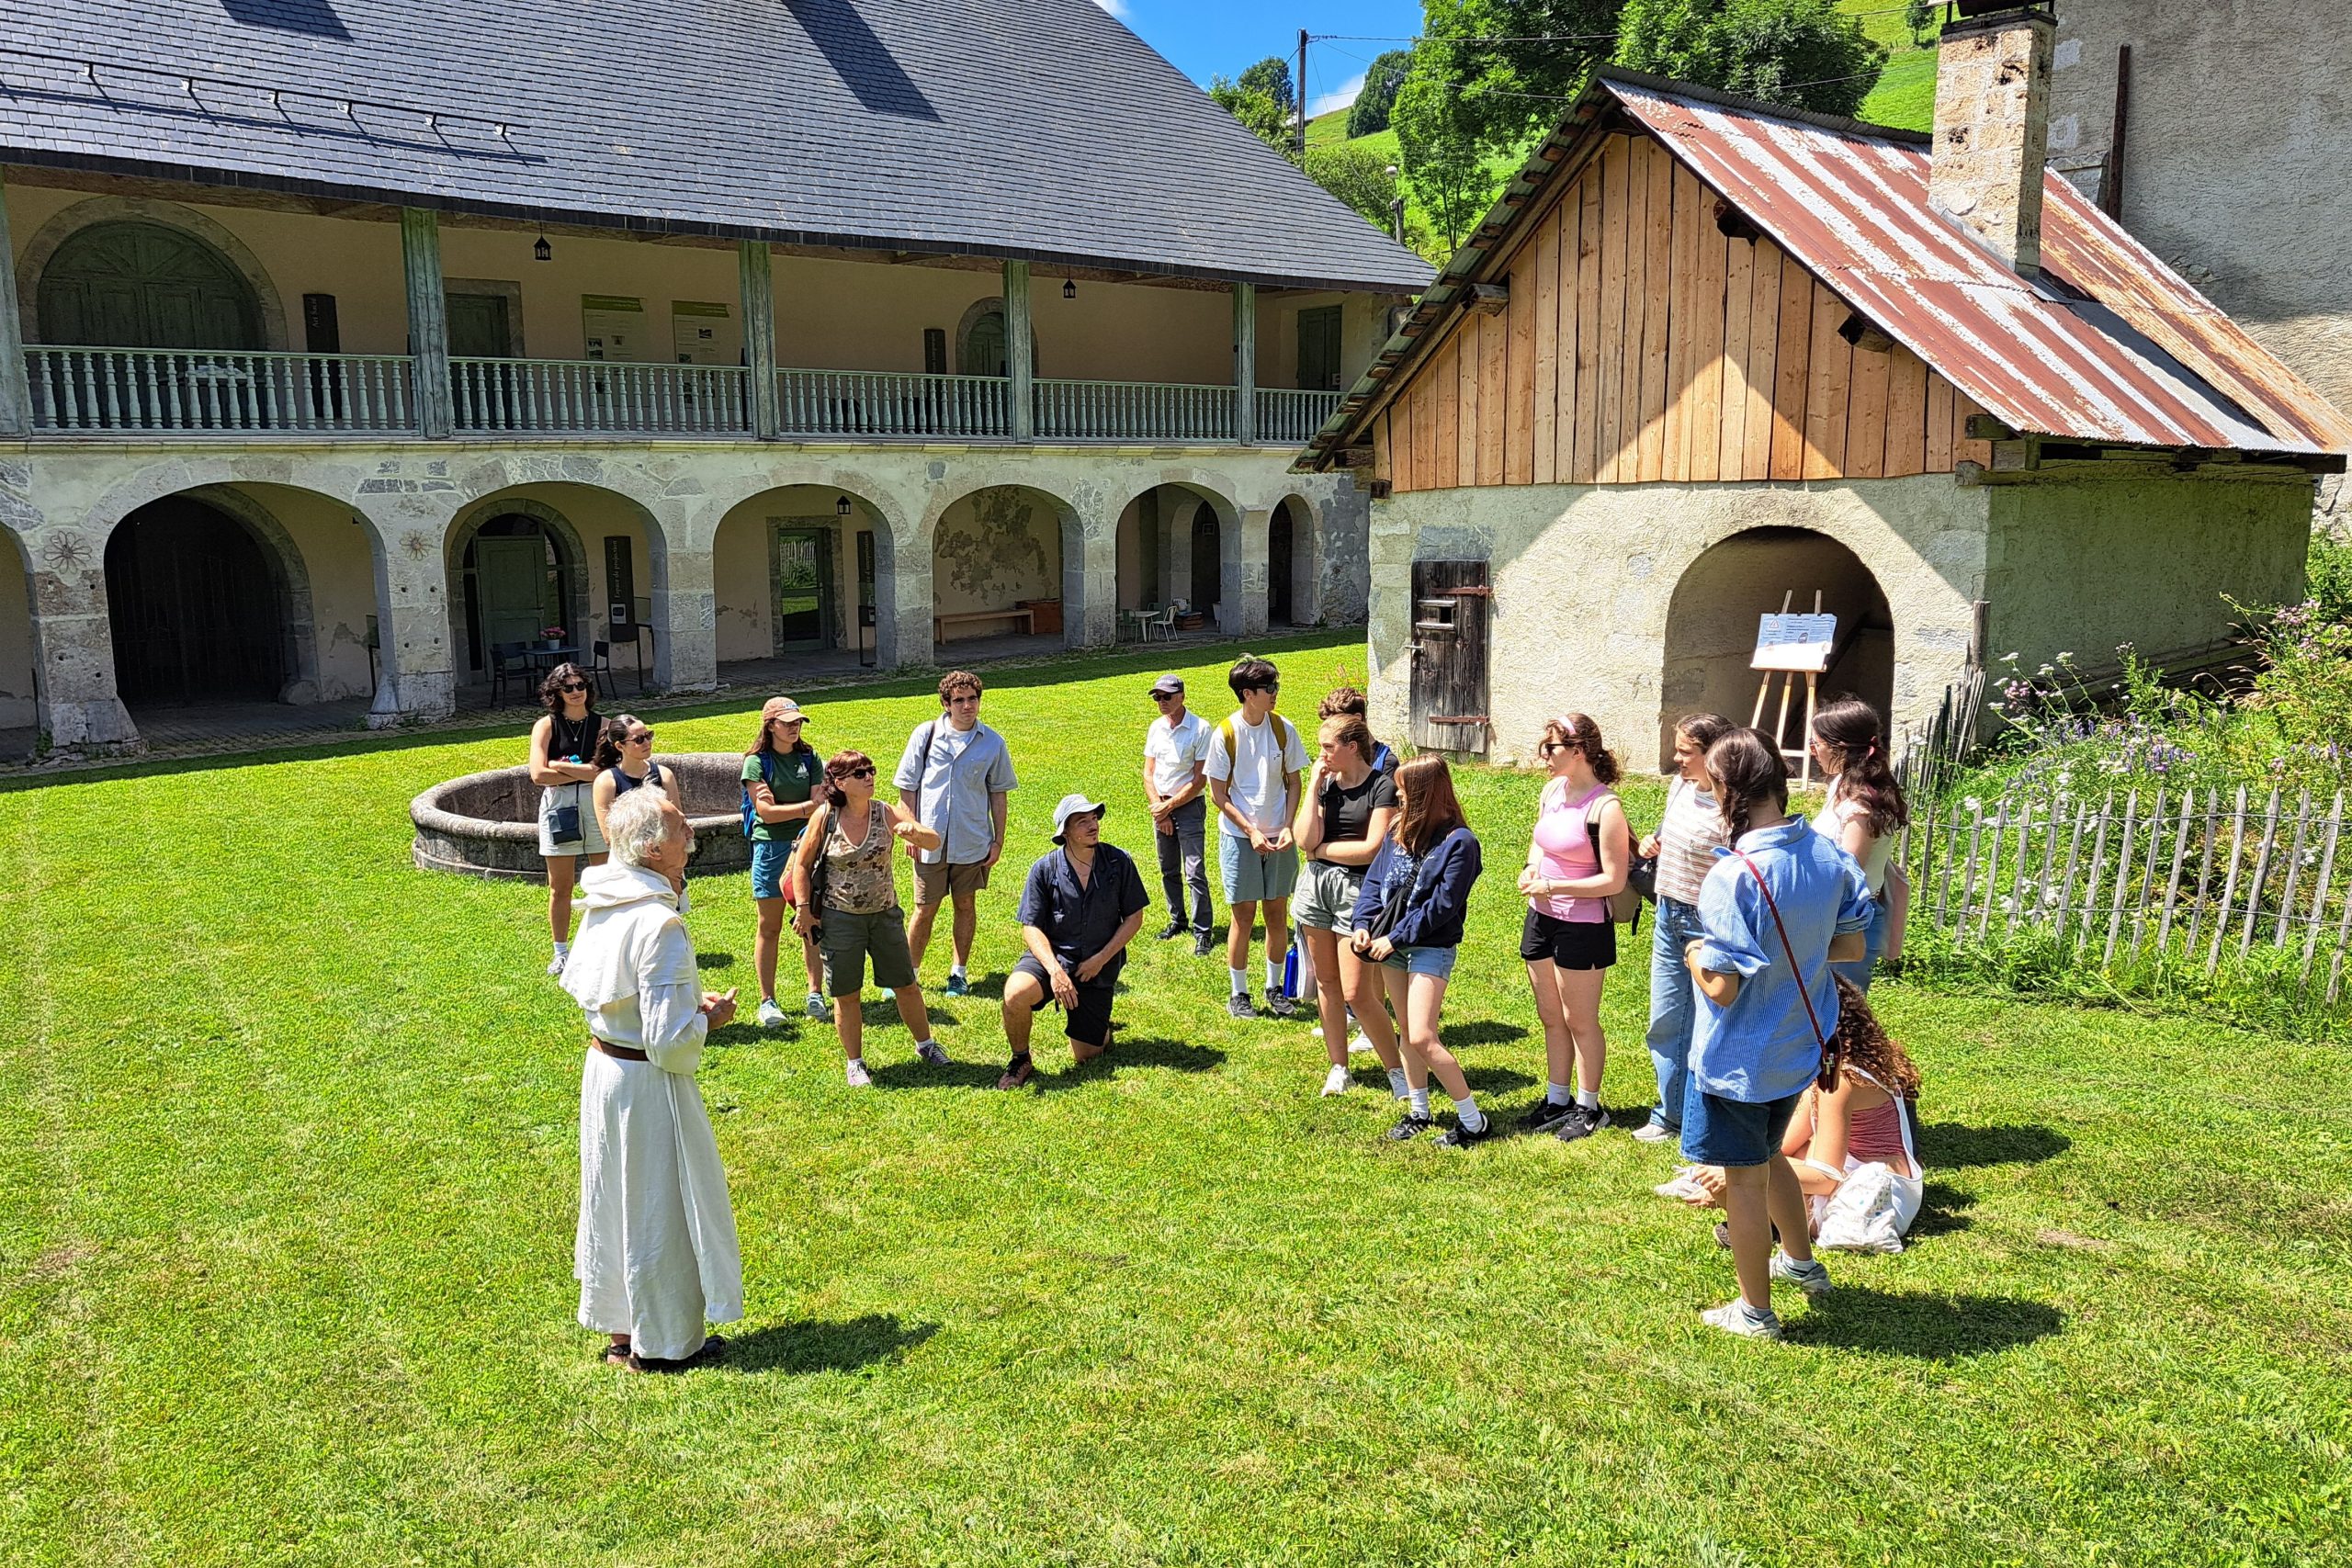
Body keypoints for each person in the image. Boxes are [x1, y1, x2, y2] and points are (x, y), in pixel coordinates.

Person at [1682, 728, 1871, 1340]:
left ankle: (1755, 1312)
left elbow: (1723, 988)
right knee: (1769, 1154)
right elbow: (1848, 942)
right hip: (1800, 1042)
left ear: (1730, 791)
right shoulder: (1824, 851)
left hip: (1741, 1058)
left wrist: (1693, 957)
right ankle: (1801, 1260)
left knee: (1744, 1176)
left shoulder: (1733, 876)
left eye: (1712, 786)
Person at [562, 788, 741, 1372]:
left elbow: (621, 998)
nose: (691, 833)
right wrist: (707, 1017)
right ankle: (663, 1344)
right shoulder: (659, 922)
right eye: (680, 826)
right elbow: (668, 1041)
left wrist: (686, 1004)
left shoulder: (604, 900)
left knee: (614, 1195)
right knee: (656, 1201)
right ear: (655, 848)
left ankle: (622, 1333)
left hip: (606, 1068)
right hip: (644, 1081)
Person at [1349, 756, 1491, 1147]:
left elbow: (1442, 906)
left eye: (1405, 790)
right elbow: (1374, 883)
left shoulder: (1460, 843)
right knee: (1408, 1034)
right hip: (1390, 945)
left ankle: (1473, 1120)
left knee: (1425, 1036)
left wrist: (1393, 938)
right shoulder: (1399, 830)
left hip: (1429, 946)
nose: (1397, 795)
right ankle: (1419, 1111)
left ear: (1426, 794)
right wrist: (1363, 925)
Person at [793, 750, 948, 1088]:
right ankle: (855, 1063)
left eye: (871, 770)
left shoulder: (885, 812)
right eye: (860, 773)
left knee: (906, 985)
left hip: (884, 915)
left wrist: (914, 834)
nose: (869, 778)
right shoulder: (825, 816)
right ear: (841, 782)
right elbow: (801, 866)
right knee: (847, 994)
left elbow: (934, 840)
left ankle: (926, 1046)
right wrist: (804, 909)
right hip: (839, 918)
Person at [1516, 713, 1631, 1142]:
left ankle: (1589, 1106)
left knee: (1579, 1019)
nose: (1543, 756)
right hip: (1541, 916)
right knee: (1550, 1015)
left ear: (1578, 751)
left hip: (1583, 925)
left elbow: (1613, 881)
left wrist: (1553, 883)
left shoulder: (1606, 808)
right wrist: (1531, 869)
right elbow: (1539, 840)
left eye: (1551, 748)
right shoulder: (1551, 791)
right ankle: (1557, 1098)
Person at [999, 794, 1151, 1089]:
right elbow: (1030, 927)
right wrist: (1055, 971)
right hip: (1051, 958)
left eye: (1094, 819)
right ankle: (1020, 1059)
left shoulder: (1119, 862)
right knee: (1015, 994)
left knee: (1087, 1057)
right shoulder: (1043, 869)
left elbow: (1134, 917)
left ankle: (1101, 1027)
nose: (1093, 826)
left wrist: (1101, 959)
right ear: (1065, 833)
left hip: (1096, 965)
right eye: (1083, 821)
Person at [1294, 713, 1408, 1100]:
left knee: (1358, 992)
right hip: (1315, 889)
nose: (1321, 755)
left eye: (1328, 747)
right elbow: (1302, 837)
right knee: (1327, 984)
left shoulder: (1382, 786)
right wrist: (1312, 787)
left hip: (1358, 893)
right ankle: (1339, 1067)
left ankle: (1397, 1071)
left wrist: (1321, 850)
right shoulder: (1327, 786)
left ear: (1352, 747)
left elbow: (1371, 849)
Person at [1637, 712, 1736, 1145]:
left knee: (1711, 1024)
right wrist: (1651, 841)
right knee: (1666, 1018)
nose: (1676, 758)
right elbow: (1666, 832)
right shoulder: (1680, 786)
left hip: (1707, 922)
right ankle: (1669, 1114)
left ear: (1714, 754)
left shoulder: (1733, 805)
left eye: (1685, 752)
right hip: (1668, 912)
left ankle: (1705, 1119)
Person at [894, 671, 1017, 997]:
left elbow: (998, 793)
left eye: (972, 699)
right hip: (929, 841)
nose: (967, 706)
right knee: (925, 908)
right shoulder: (926, 735)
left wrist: (998, 840)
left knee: (965, 904)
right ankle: (908, 975)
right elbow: (907, 789)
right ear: (946, 704)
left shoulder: (992, 742)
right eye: (959, 700)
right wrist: (911, 834)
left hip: (973, 839)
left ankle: (958, 973)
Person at [1206, 656, 1310, 1020]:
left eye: (1276, 686)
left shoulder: (1284, 729)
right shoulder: (1225, 735)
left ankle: (1275, 989)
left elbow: (1295, 781)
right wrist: (1250, 831)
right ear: (1247, 694)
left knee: (1277, 912)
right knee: (1244, 916)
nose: (1275, 693)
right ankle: (1239, 994)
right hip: (1239, 837)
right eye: (1269, 688)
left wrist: (1287, 826)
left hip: (1278, 837)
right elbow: (1218, 796)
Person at [1806, 698, 1911, 991]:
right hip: (1830, 916)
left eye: (1816, 744)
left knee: (1841, 1016)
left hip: (1849, 923)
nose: (1812, 751)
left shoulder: (1861, 806)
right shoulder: (1842, 784)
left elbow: (1848, 874)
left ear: (1839, 747)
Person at [742, 698, 827, 1027]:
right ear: (770, 725)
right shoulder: (756, 763)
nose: (795, 727)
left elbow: (819, 803)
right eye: (787, 722)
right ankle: (767, 1000)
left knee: (811, 920)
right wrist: (807, 807)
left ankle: (815, 993)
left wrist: (797, 809)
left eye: (798, 722)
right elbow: (765, 812)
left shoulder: (810, 757)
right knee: (770, 925)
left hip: (808, 845)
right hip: (771, 848)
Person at [529, 662, 605, 977]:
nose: (576, 692)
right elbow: (538, 774)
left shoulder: (604, 724)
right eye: (568, 687)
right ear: (556, 693)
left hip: (599, 802)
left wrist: (562, 768)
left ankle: (603, 947)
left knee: (604, 882)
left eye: (580, 686)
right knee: (560, 886)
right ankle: (561, 952)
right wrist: (583, 770)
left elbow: (605, 771)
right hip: (558, 806)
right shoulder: (546, 726)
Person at [1140, 672, 1216, 957]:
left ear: (1182, 697)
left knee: (1194, 870)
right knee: (1168, 868)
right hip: (1161, 806)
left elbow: (1199, 780)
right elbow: (1148, 772)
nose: (1161, 701)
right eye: (1157, 697)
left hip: (1188, 807)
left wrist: (1168, 809)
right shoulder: (1156, 728)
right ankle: (1177, 920)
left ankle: (1203, 931)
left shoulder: (1200, 729)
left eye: (1166, 696)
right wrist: (1159, 810)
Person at [592, 715, 689, 911]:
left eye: (648, 735)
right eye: (639, 739)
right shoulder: (606, 781)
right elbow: (610, 837)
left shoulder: (664, 774)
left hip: (665, 861)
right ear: (620, 746)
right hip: (628, 864)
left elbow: (678, 822)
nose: (647, 742)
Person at [1317, 687, 1399, 773]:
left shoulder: (1386, 762)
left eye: (1336, 725)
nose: (1322, 755)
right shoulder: (1331, 760)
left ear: (1357, 719)